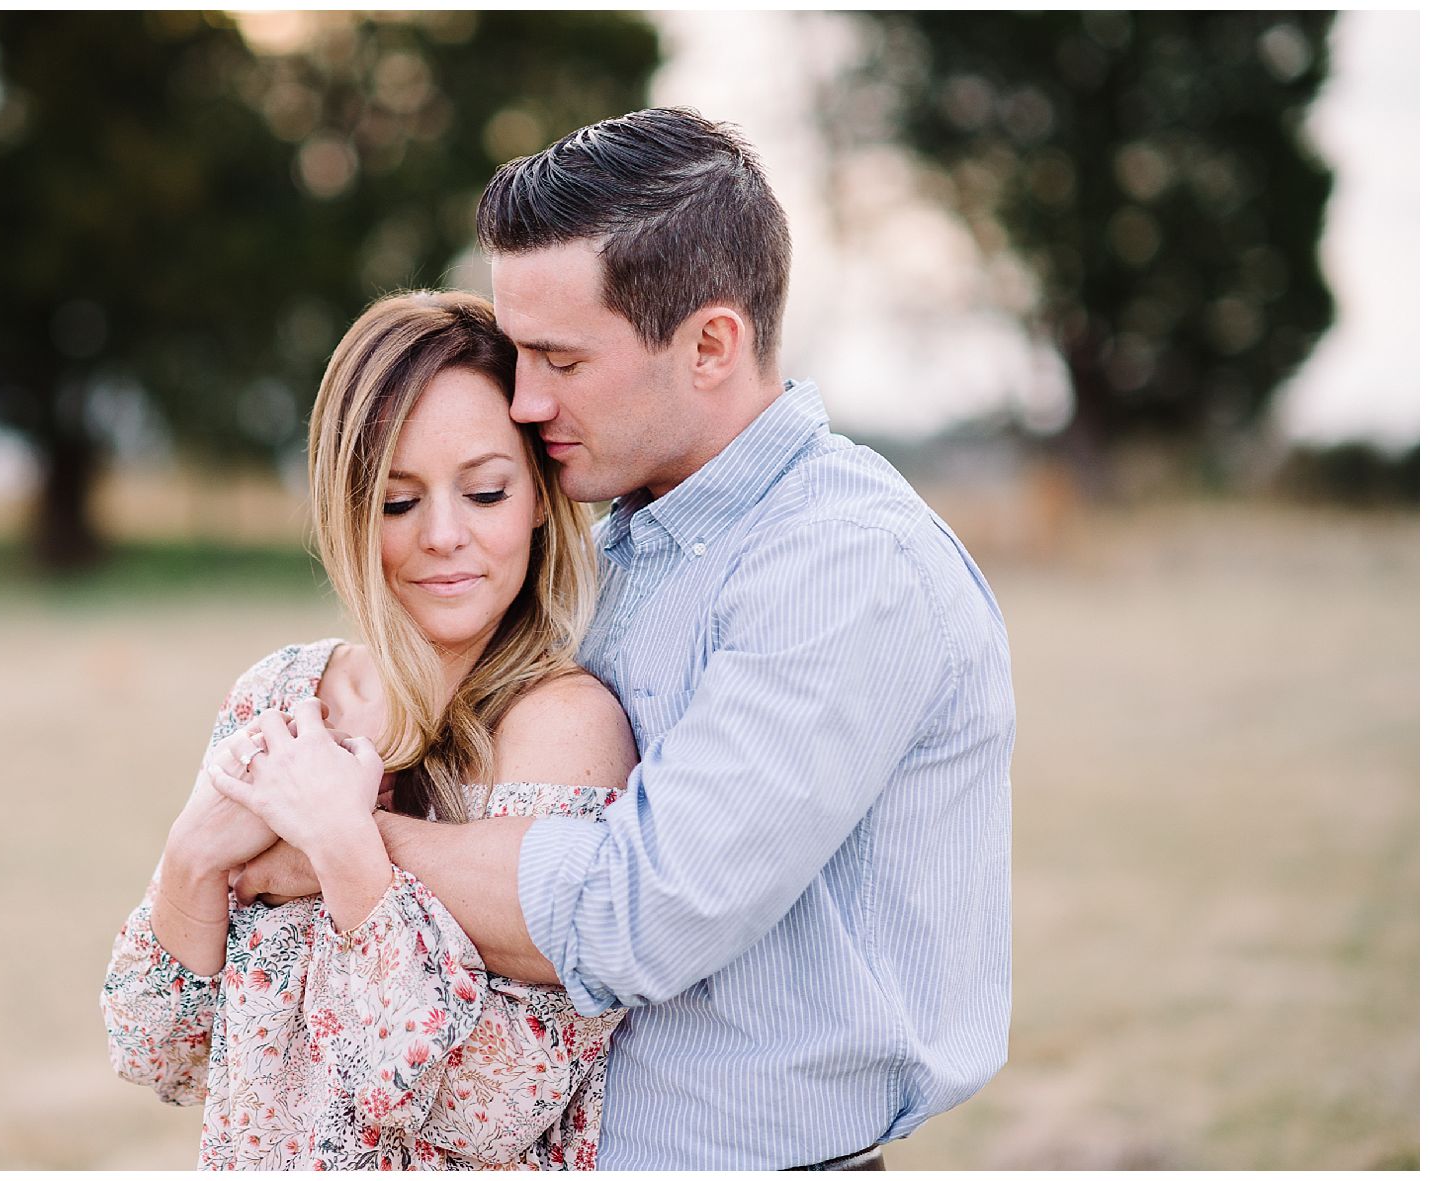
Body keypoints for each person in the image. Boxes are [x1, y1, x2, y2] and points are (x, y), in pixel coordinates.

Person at [229, 107, 1017, 1170]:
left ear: (710, 345)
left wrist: (338, 841)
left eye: (559, 358)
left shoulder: (845, 569)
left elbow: (634, 917)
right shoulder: (607, 547)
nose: (523, 398)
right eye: (519, 354)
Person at [101, 291, 638, 1169]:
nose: (444, 535)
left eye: (485, 492)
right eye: (396, 501)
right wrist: (193, 856)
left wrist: (342, 853)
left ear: (540, 498)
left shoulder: (564, 729)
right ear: (347, 509)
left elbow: (492, 1107)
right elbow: (157, 1047)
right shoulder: (284, 695)